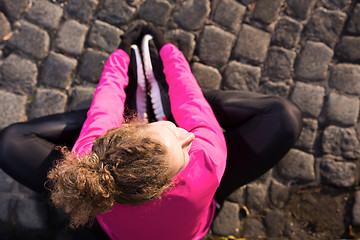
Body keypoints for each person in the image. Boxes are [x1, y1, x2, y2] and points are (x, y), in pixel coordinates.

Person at [0, 24, 302, 240]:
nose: (187, 137)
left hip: (115, 224)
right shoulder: (207, 161)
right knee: (284, 118)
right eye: (179, 141)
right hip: (199, 207)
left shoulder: (88, 164)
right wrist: (169, 51)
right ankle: (156, 100)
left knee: (10, 143)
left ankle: (134, 101)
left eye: (174, 134)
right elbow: (193, 104)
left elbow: (103, 110)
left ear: (127, 128)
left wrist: (120, 55)